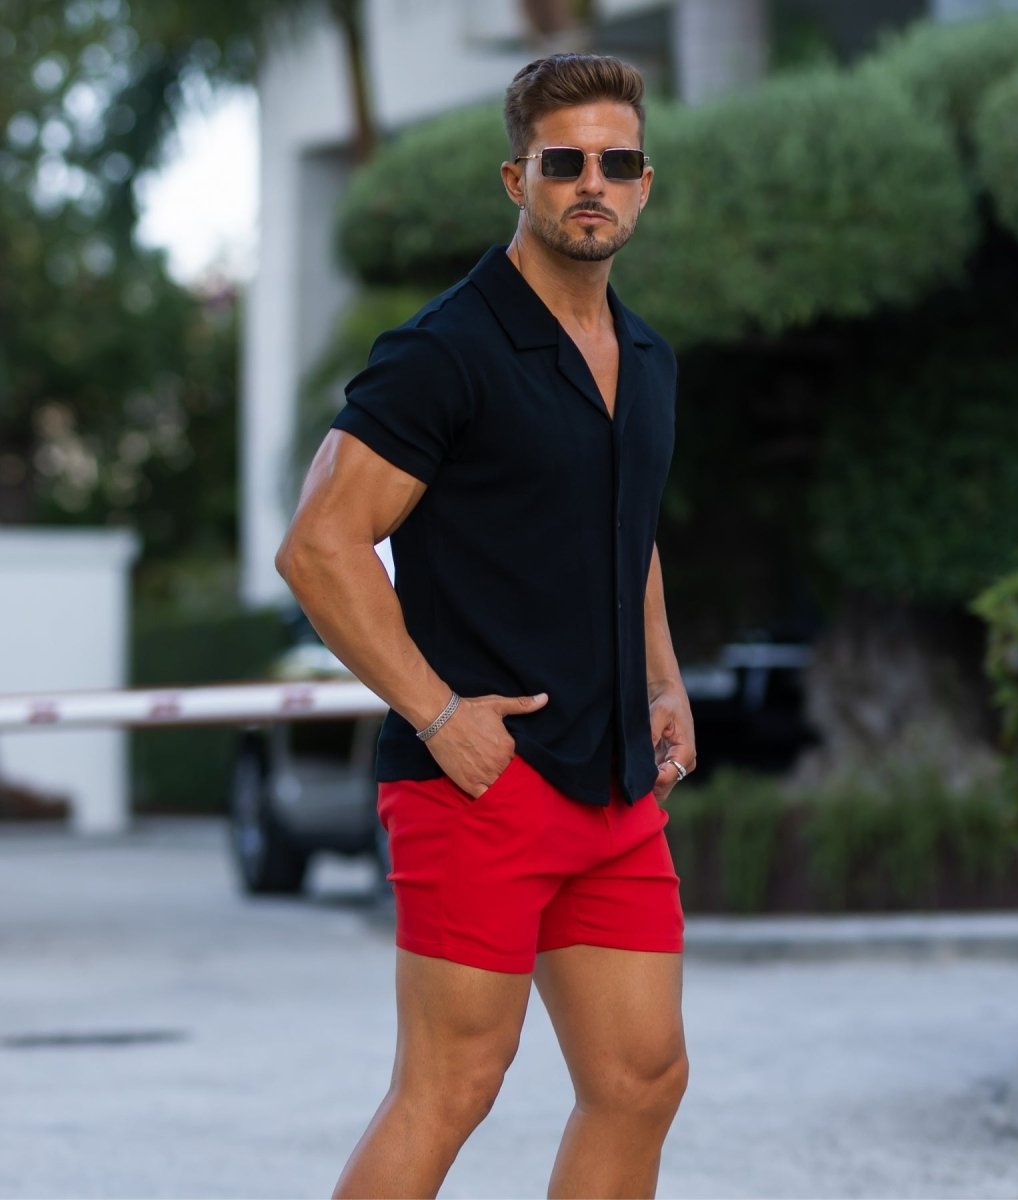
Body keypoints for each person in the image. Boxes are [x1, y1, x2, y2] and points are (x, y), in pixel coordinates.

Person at [276, 52, 696, 1199]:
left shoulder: (646, 358)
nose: (591, 183)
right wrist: (439, 714)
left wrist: (663, 681)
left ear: (645, 183)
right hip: (481, 783)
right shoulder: (444, 351)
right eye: (564, 163)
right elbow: (320, 545)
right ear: (518, 179)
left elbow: (628, 528)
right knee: (452, 1084)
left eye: (615, 162)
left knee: (641, 1079)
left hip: (613, 787)